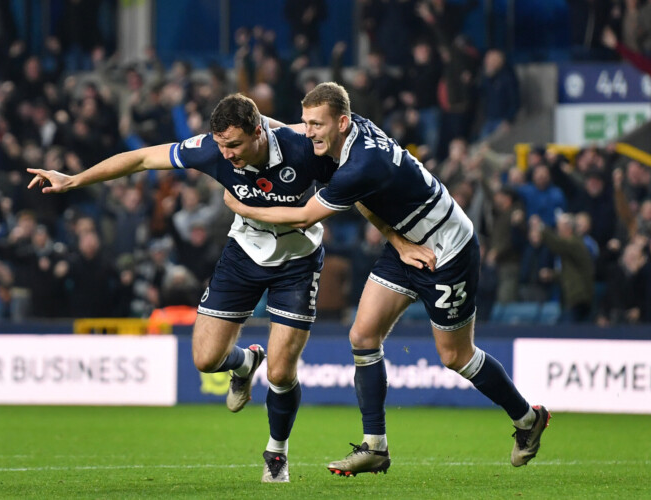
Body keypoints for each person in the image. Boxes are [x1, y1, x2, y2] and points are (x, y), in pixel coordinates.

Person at [223, 82, 550, 476]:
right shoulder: (349, 133)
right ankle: (375, 446)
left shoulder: (362, 163)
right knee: (362, 337)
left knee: (456, 356)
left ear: (341, 122)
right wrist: (257, 122)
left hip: (447, 249)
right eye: (306, 122)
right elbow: (294, 133)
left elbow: (304, 216)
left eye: (316, 125)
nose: (308, 133)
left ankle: (528, 419)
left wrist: (242, 206)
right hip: (405, 244)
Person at [28, 94, 346, 483]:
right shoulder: (210, 149)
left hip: (297, 262)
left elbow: (359, 181)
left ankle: (276, 452)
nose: (226, 155)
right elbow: (141, 159)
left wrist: (398, 238)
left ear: (258, 131)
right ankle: (244, 363)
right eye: (222, 145)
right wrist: (75, 179)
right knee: (206, 359)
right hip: (244, 254)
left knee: (281, 373)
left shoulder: (303, 148)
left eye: (235, 145)